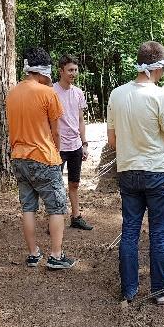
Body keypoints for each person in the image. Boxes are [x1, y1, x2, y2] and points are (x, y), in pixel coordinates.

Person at [107, 41, 164, 305]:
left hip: (128, 171)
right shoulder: (163, 97)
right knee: (158, 233)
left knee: (130, 230)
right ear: (160, 65)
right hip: (157, 171)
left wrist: (131, 150)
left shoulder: (117, 94)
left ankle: (129, 290)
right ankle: (161, 290)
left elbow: (112, 140)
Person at [6, 47, 76, 270]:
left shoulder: (13, 93)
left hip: (19, 157)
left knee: (28, 207)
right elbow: (56, 131)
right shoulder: (48, 93)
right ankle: (56, 255)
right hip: (44, 156)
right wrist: (56, 152)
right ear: (44, 71)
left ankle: (33, 253)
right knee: (56, 207)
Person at [54, 54, 93, 231]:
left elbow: (80, 119)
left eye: (75, 70)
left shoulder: (78, 92)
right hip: (57, 146)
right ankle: (55, 219)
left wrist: (84, 143)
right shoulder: (51, 92)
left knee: (74, 183)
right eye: (70, 70)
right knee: (55, 185)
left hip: (75, 145)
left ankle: (76, 216)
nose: (73, 73)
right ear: (61, 71)